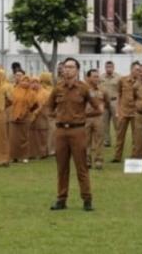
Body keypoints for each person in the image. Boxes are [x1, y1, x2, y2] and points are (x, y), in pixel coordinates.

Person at [47, 57, 102, 212]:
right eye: (65, 67)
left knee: (81, 166)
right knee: (62, 167)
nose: (67, 70)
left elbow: (98, 108)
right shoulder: (57, 88)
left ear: (77, 70)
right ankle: (61, 199)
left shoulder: (84, 88)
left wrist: (84, 117)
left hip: (78, 130)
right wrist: (55, 118)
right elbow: (48, 107)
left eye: (71, 67)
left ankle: (87, 199)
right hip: (61, 131)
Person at [112, 61, 140, 163]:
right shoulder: (122, 80)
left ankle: (135, 155)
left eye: (139, 70)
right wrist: (117, 110)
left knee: (136, 136)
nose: (138, 72)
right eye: (136, 69)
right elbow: (118, 95)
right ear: (131, 69)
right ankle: (117, 156)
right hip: (123, 111)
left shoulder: (141, 82)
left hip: (136, 112)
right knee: (120, 135)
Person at [9, 75, 36, 163]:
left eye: (27, 81)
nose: (25, 83)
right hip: (14, 117)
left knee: (24, 137)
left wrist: (28, 112)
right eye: (23, 81)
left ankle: (24, 156)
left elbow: (35, 105)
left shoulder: (32, 93)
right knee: (14, 138)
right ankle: (14, 156)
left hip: (25, 117)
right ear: (20, 82)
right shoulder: (14, 91)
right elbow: (10, 103)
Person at [85, 69, 107, 170]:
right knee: (86, 141)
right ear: (88, 78)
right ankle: (87, 160)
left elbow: (106, 101)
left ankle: (98, 160)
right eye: (94, 76)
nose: (97, 79)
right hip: (86, 118)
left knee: (99, 140)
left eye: (97, 76)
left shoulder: (102, 90)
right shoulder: (83, 90)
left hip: (98, 118)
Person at [28, 76, 50, 160]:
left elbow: (45, 104)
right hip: (31, 116)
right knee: (32, 134)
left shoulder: (45, 93)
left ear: (40, 83)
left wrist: (37, 111)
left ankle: (42, 152)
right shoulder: (29, 92)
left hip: (42, 115)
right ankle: (32, 153)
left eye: (36, 82)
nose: (34, 84)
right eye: (32, 82)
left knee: (42, 134)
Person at [99, 61, 119, 147]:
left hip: (114, 101)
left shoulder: (118, 77)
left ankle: (119, 141)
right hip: (104, 102)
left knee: (117, 123)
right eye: (107, 67)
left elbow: (121, 90)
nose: (109, 68)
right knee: (104, 123)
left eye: (110, 67)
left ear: (114, 67)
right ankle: (106, 141)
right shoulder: (101, 77)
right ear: (105, 67)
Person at [39, 72, 56, 156]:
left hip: (51, 113)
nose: (51, 79)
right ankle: (45, 149)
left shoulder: (51, 88)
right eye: (49, 77)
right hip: (43, 112)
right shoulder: (41, 89)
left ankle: (51, 149)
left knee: (52, 131)